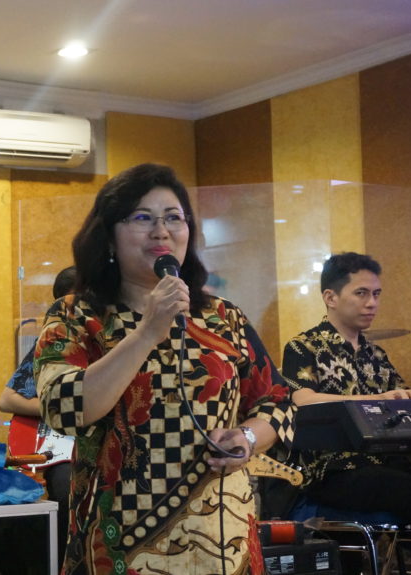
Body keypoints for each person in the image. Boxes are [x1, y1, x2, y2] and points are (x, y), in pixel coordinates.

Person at [33, 163, 294, 574]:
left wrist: (246, 437)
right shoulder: (77, 315)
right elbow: (63, 409)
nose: (162, 231)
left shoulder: (223, 317)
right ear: (109, 236)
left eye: (174, 218)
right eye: (143, 218)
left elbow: (277, 401)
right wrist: (145, 333)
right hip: (119, 542)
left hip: (224, 541)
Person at [282, 251, 411, 574]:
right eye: (362, 293)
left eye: (377, 294)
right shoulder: (304, 346)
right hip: (335, 470)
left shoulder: (376, 354)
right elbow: (303, 399)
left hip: (388, 463)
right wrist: (377, 398)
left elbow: (404, 405)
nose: (372, 303)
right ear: (331, 297)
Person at [0, 265, 77, 569]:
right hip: (62, 448)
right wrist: (60, 409)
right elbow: (7, 399)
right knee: (65, 490)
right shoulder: (52, 342)